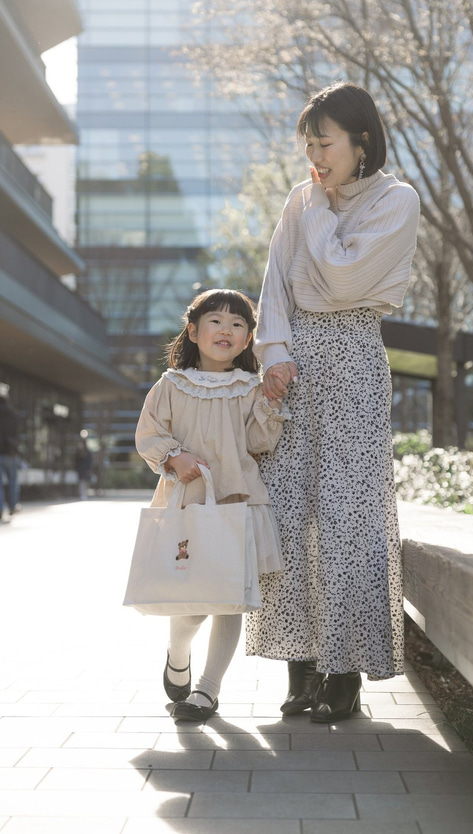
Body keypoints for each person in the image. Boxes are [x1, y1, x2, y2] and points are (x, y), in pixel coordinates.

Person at [245, 81, 420, 723]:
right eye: (308, 141)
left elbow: (345, 275)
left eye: (325, 140)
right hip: (292, 366)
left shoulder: (396, 200)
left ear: (361, 141)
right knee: (289, 513)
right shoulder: (299, 198)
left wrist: (318, 208)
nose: (314, 153)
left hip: (354, 359)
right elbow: (276, 281)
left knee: (349, 515)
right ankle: (301, 670)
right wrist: (272, 354)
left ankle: (344, 672)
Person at [135, 289, 289, 722]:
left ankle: (207, 691)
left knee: (228, 596)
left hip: (237, 501)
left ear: (248, 341)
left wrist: (272, 403)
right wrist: (173, 456)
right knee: (192, 599)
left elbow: (261, 442)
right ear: (193, 331)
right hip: (186, 503)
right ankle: (178, 651)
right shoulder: (172, 384)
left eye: (238, 324)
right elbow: (148, 433)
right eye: (216, 321)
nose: (226, 329)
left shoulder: (249, 388)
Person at [0, 394, 21, 521]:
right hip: (10, 453)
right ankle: (12, 506)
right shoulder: (14, 415)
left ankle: (0, 509)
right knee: (12, 481)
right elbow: (17, 434)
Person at [74, 435, 93, 501]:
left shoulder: (88, 452)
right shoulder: (78, 452)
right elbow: (76, 461)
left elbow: (89, 461)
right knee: (81, 482)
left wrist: (89, 469)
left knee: (85, 482)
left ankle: (85, 494)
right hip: (80, 469)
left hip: (85, 469)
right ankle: (82, 494)